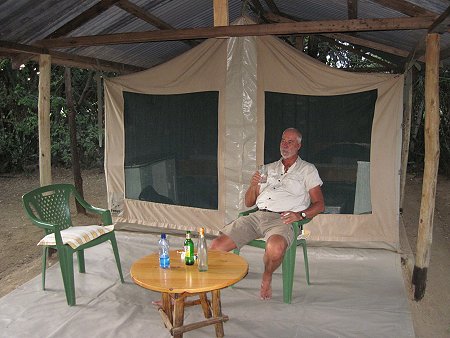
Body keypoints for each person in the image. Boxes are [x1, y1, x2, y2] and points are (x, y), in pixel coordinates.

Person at [210, 127, 324, 300]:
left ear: (299, 146)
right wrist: (253, 185)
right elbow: (249, 203)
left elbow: (320, 205)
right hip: (257, 216)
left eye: (290, 142)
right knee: (216, 246)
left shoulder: (307, 170)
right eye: (283, 140)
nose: (285, 145)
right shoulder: (267, 168)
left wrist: (300, 215)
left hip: (284, 220)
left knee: (275, 248)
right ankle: (199, 288)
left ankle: (267, 276)